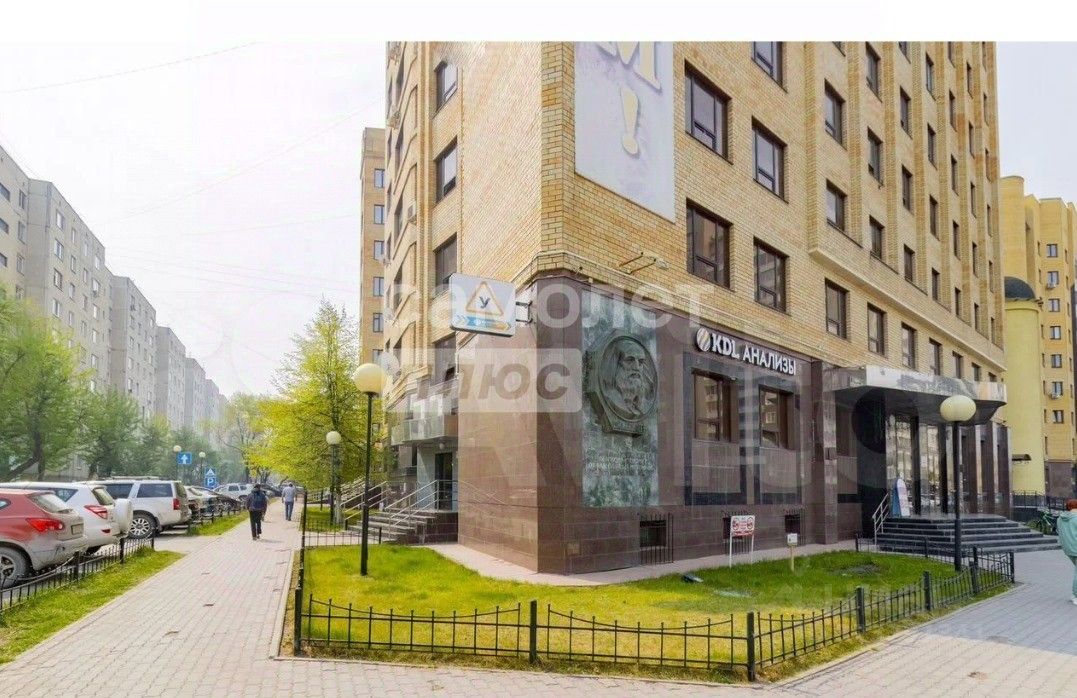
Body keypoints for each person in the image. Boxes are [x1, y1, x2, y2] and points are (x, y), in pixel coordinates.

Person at [1059, 499, 1077, 605]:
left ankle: (1074, 595)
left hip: (1068, 549)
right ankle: (1076, 596)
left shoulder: (1060, 518)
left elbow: (1060, 533)